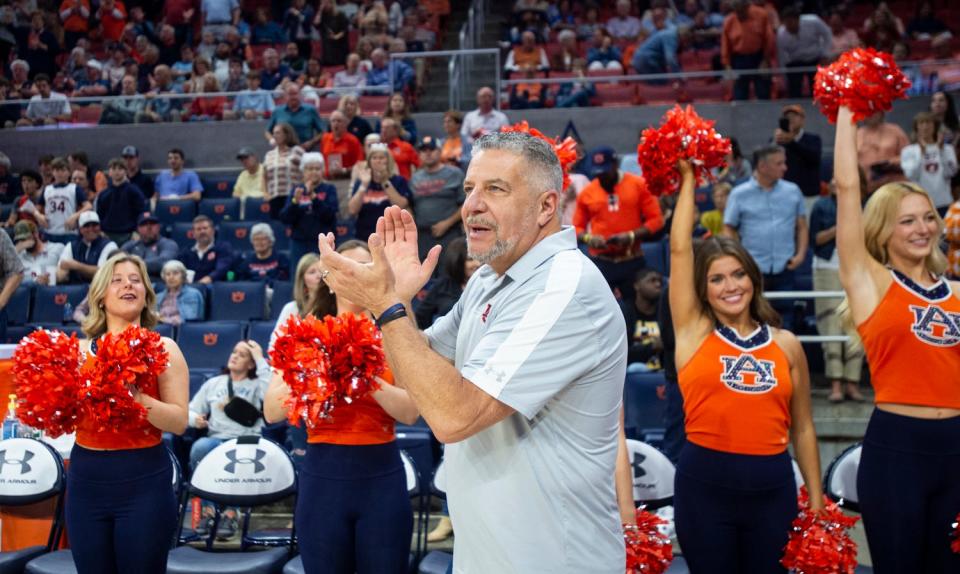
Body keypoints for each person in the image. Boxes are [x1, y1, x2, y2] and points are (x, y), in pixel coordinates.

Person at [316, 129, 627, 572]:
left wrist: (384, 306)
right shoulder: (488, 279)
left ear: (546, 206)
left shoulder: (564, 287)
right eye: (468, 189)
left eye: (495, 189)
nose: (472, 205)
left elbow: (453, 415)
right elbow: (417, 374)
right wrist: (397, 302)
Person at [668, 156, 823, 573]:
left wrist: (817, 498)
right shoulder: (693, 333)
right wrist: (688, 179)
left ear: (753, 277)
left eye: (738, 274)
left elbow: (804, 426)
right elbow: (680, 248)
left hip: (773, 489)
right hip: (704, 489)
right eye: (716, 279)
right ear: (703, 288)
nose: (730, 286)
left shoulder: (787, 345)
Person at [833, 103, 960, 572]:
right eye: (907, 220)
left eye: (928, 217)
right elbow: (848, 189)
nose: (923, 229)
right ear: (883, 231)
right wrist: (845, 107)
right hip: (898, 449)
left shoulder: (959, 293)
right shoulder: (871, 284)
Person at [265, 240, 419, 574]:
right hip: (323, 481)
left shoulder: (395, 334)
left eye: (365, 267)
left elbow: (409, 412)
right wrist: (319, 369)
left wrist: (364, 376)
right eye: (344, 267)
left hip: (381, 481)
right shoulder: (304, 334)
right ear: (329, 278)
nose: (354, 275)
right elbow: (272, 411)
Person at [64, 253, 188, 573]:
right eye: (117, 280)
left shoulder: (164, 348)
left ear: (146, 295)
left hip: (143, 482)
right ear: (101, 296)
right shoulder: (77, 352)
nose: (127, 285)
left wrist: (135, 396)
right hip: (85, 481)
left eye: (136, 280)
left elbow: (178, 421)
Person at [187, 339, 270, 538]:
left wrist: (259, 358)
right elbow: (189, 410)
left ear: (250, 364)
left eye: (241, 355)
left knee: (240, 455)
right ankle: (209, 511)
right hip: (216, 439)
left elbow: (271, 397)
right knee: (199, 447)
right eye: (234, 352)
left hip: (246, 439)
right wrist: (194, 420)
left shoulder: (258, 384)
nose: (234, 356)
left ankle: (232, 513)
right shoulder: (213, 383)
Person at [723, 145, 808, 330]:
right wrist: (738, 259)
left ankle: (785, 359)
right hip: (752, 270)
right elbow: (728, 228)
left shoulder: (793, 191)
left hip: (786, 267)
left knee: (786, 323)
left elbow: (802, 226)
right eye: (779, 163)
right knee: (752, 320)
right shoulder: (739, 194)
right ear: (762, 167)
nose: (785, 167)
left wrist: (801, 255)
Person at [573, 146, 664, 304]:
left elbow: (656, 220)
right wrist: (589, 239)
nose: (602, 178)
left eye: (605, 172)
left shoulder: (638, 185)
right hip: (601, 260)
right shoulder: (588, 192)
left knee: (636, 308)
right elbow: (576, 228)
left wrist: (631, 236)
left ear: (615, 165)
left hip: (631, 259)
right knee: (598, 308)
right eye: (598, 174)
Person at [809, 176, 867, 403]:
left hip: (858, 268)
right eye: (832, 178)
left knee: (857, 324)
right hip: (826, 268)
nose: (836, 181)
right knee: (830, 324)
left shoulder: (864, 205)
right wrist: (840, 227)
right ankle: (835, 383)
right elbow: (816, 239)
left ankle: (852, 383)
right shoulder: (821, 206)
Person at [409, 136, 465, 261]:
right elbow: (409, 205)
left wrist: (446, 224)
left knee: (450, 273)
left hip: (449, 232)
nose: (427, 153)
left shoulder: (455, 173)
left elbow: (466, 204)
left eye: (431, 149)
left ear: (439, 151)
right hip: (422, 235)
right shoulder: (414, 178)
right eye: (423, 150)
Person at [280, 152, 339, 267]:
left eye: (317, 168)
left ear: (322, 171)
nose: (313, 172)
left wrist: (313, 197)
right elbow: (285, 218)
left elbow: (330, 215)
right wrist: (295, 202)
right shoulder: (296, 191)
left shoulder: (329, 189)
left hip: (323, 242)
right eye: (310, 169)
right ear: (303, 171)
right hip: (299, 243)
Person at [348, 143, 412, 242]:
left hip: (392, 237)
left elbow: (401, 205)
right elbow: (352, 210)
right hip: (365, 236)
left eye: (382, 158)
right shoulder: (361, 182)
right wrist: (364, 185)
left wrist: (384, 181)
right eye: (374, 158)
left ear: (388, 161)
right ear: (369, 161)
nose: (378, 161)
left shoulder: (398, 180)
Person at [901, 111, 958, 215]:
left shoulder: (947, 149)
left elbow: (950, 173)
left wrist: (941, 152)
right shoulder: (908, 151)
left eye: (928, 123)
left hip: (944, 202)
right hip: (920, 204)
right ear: (916, 127)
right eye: (921, 123)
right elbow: (911, 175)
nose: (925, 126)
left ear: (935, 127)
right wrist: (921, 154)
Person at [414, 237, 478, 329]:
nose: (478, 263)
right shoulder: (443, 286)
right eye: (470, 259)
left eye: (480, 258)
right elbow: (420, 318)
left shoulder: (492, 284)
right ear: (457, 261)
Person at [721, 0, 775, 101]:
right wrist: (727, 65)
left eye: (741, 11)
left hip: (759, 57)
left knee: (763, 93)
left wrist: (765, 61)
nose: (739, 14)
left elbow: (768, 39)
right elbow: (725, 45)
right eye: (736, 11)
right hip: (739, 60)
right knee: (740, 95)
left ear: (747, 7)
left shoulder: (761, 14)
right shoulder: (729, 20)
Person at [776, 6, 832, 98]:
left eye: (791, 22)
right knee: (794, 91)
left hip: (815, 58)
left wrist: (825, 54)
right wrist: (784, 76)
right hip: (795, 61)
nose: (789, 26)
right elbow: (782, 56)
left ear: (798, 19)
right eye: (786, 23)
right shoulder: (781, 34)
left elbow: (827, 34)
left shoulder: (814, 21)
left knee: (817, 90)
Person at [57, 212, 120, 285]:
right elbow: (62, 268)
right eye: (86, 226)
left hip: (98, 290)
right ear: (80, 229)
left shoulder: (109, 245)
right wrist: (59, 276)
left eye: (94, 225)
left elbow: (103, 273)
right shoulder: (71, 245)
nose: (91, 229)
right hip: (74, 291)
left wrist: (76, 266)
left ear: (99, 226)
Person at [95, 158, 147, 245]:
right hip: (107, 235)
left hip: (128, 235)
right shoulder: (104, 194)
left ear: (125, 171)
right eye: (113, 169)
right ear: (109, 172)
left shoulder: (134, 191)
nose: (117, 172)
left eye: (120, 168)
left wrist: (136, 231)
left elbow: (141, 212)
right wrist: (100, 231)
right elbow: (99, 215)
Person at [775, 105, 823, 198]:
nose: (791, 119)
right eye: (787, 117)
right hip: (784, 194)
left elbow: (814, 158)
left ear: (802, 120)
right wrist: (774, 142)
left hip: (808, 193)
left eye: (794, 116)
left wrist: (792, 142)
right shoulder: (779, 140)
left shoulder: (813, 139)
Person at [40, 157, 90, 244]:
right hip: (49, 232)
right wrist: (38, 215)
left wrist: (75, 216)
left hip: (68, 232)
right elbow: (37, 207)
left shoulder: (74, 188)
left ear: (69, 172)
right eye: (57, 170)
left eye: (63, 170)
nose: (60, 173)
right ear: (52, 172)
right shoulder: (47, 189)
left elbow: (88, 206)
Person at [622, 267, 664, 370]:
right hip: (634, 371)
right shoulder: (625, 312)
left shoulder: (666, 311)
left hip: (664, 368)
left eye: (659, 281)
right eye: (652, 280)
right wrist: (652, 346)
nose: (658, 284)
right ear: (637, 286)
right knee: (634, 368)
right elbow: (622, 353)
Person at [265, 83, 326, 151]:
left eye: (295, 94)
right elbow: (267, 132)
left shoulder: (311, 110)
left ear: (300, 95)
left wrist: (311, 142)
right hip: (283, 153)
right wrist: (273, 141)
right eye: (290, 94)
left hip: (306, 152)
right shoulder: (277, 111)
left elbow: (323, 132)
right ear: (285, 96)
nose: (293, 97)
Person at [263, 122, 305, 219]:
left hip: (292, 197)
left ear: (286, 135)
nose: (274, 136)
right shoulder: (269, 154)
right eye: (273, 133)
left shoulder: (297, 151)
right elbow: (264, 176)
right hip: (274, 198)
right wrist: (266, 193)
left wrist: (301, 190)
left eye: (278, 133)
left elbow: (306, 172)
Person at [121, 212, 179, 279]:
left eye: (152, 223)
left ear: (158, 226)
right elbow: (118, 260)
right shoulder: (130, 245)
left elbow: (164, 262)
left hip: (158, 283)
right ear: (138, 229)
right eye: (144, 224)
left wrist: (135, 264)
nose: (149, 227)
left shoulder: (168, 244)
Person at [178, 215, 234, 284]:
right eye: (198, 229)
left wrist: (204, 282)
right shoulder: (186, 251)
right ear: (193, 233)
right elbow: (180, 270)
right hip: (191, 288)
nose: (202, 232)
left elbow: (221, 269)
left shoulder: (223, 247)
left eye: (205, 228)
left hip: (215, 287)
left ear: (213, 231)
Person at [856, 111, 910, 178]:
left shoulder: (895, 131)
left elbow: (909, 156)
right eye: (867, 112)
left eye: (874, 111)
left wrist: (891, 162)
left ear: (881, 113)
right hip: (865, 182)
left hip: (892, 181)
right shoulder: (857, 135)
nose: (871, 115)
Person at [14, 220, 64, 285]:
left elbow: (66, 274)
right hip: (27, 291)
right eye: (21, 240)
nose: (24, 242)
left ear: (36, 234)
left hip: (51, 291)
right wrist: (16, 250)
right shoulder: (17, 255)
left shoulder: (57, 248)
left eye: (26, 238)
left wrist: (52, 278)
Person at [155, 259, 205, 325]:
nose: (171, 277)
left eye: (175, 273)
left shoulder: (192, 294)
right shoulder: (158, 297)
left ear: (183, 276)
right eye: (167, 274)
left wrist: (163, 319)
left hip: (183, 332)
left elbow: (189, 318)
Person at [322, 110, 364, 179]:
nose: (336, 124)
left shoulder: (353, 140)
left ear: (345, 123)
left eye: (339, 121)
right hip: (328, 179)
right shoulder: (325, 138)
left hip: (346, 179)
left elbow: (360, 164)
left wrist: (344, 170)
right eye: (333, 121)